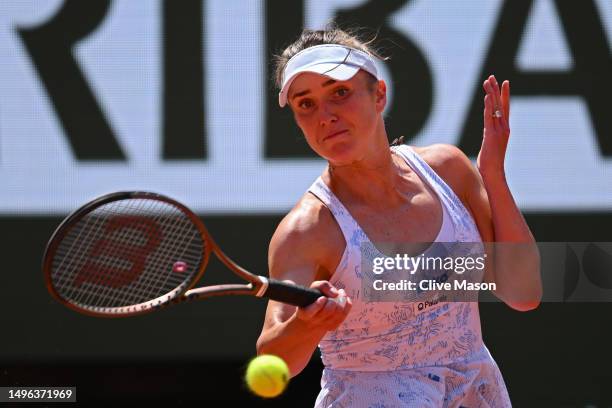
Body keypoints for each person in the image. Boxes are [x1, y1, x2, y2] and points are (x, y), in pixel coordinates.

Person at [256, 27, 542, 407]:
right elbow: (274, 359)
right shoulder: (307, 231)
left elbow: (523, 294)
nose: (325, 116)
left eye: (339, 92)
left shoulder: (449, 169)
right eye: (305, 104)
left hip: (477, 393)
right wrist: (306, 325)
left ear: (379, 95)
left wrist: (492, 175)